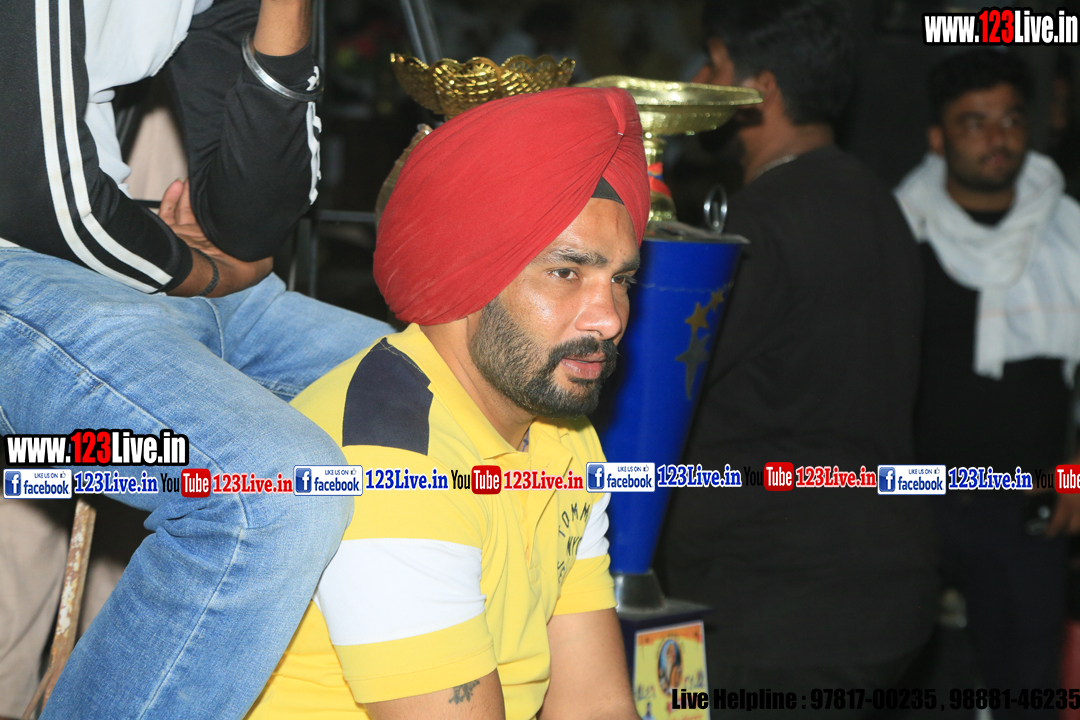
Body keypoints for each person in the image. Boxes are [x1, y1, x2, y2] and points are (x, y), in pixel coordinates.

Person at [0, 0, 391, 717]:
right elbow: (35, 191)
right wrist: (201, 273)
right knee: (271, 491)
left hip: (117, 263)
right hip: (21, 260)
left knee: (451, 404)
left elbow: (253, 216)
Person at [245, 86, 649, 720]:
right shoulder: (388, 461)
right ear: (471, 274)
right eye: (566, 272)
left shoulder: (562, 432)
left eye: (620, 280)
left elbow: (593, 704)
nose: (609, 318)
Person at [659, 2, 938, 716]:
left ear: (763, 89)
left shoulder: (758, 227)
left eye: (716, 63)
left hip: (774, 603)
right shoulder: (878, 204)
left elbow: (665, 382)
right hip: (872, 591)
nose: (699, 79)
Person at [896, 49, 1080, 717]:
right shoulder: (898, 232)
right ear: (938, 137)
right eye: (974, 122)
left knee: (1027, 694)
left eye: (1011, 119)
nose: (997, 137)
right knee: (891, 679)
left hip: (1028, 506)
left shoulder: (1070, 232)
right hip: (912, 500)